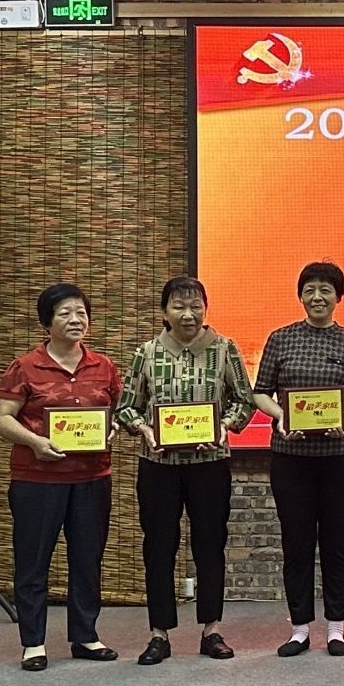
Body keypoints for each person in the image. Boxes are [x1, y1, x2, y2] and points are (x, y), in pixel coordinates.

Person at [115, 274, 254, 665]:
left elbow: (244, 401)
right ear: (164, 311)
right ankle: (158, 634)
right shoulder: (147, 352)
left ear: (206, 309)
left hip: (209, 465)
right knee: (159, 546)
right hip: (159, 465)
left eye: (196, 306)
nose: (188, 314)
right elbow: (126, 407)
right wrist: (144, 429)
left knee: (210, 544)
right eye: (179, 306)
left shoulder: (225, 349)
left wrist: (225, 426)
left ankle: (211, 629)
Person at [249, 261, 344, 658]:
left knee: (337, 541)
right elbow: (261, 392)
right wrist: (281, 416)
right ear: (300, 296)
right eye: (310, 290)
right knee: (297, 543)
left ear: (339, 296)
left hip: (340, 457)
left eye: (326, 289)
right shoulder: (280, 339)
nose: (317, 297)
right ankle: (300, 629)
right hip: (291, 458)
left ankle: (336, 628)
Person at [0, 284, 120, 671]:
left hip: (92, 478)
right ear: (47, 321)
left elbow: (117, 411)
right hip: (37, 479)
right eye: (64, 313)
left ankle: (85, 636)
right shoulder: (25, 366)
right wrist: (35, 442)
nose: (75, 320)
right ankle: (33, 642)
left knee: (87, 559)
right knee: (33, 560)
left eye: (81, 312)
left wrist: (111, 429)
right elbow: (0, 417)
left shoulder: (104, 366)